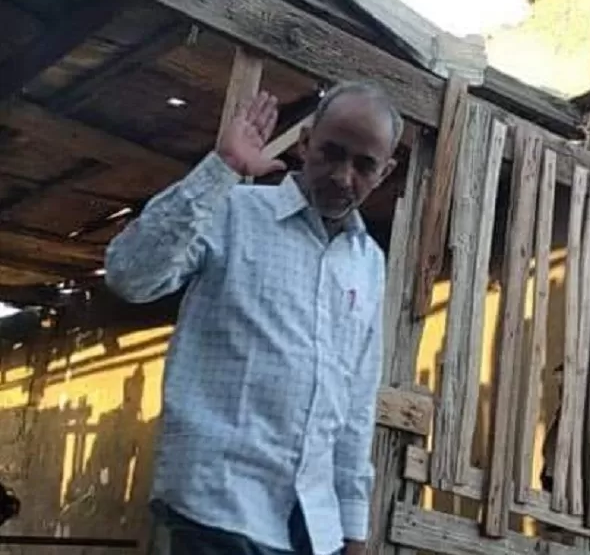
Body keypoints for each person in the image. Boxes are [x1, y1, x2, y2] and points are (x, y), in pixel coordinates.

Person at [104, 80, 402, 555]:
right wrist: (222, 167)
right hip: (217, 504)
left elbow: (356, 401)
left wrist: (352, 526)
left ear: (384, 172)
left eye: (364, 165)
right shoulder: (234, 212)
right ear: (305, 143)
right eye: (331, 153)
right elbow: (129, 275)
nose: (343, 176)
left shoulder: (368, 263)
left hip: (310, 525)